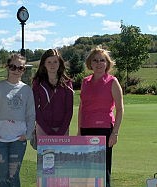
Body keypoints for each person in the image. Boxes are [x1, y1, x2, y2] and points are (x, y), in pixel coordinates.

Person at [0, 53, 35, 187]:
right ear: (7, 67)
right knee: (3, 176)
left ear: (23, 70)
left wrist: (28, 134)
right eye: (13, 67)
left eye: (20, 68)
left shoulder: (26, 90)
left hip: (18, 140)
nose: (16, 71)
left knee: (14, 176)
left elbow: (31, 115)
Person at [77, 46, 124, 187]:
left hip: (104, 131)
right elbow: (81, 108)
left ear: (107, 63)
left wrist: (115, 133)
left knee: (103, 172)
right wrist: (79, 130)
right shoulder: (85, 81)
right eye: (95, 60)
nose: (98, 63)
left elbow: (120, 109)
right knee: (87, 171)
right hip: (86, 129)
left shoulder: (112, 81)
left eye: (102, 60)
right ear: (90, 63)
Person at [32, 48, 73, 136]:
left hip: (62, 128)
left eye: (55, 62)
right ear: (44, 64)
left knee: (61, 150)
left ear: (60, 63)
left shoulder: (67, 83)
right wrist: (48, 131)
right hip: (43, 128)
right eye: (49, 62)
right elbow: (35, 109)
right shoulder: (38, 83)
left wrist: (61, 131)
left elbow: (69, 110)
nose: (52, 65)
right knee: (47, 151)